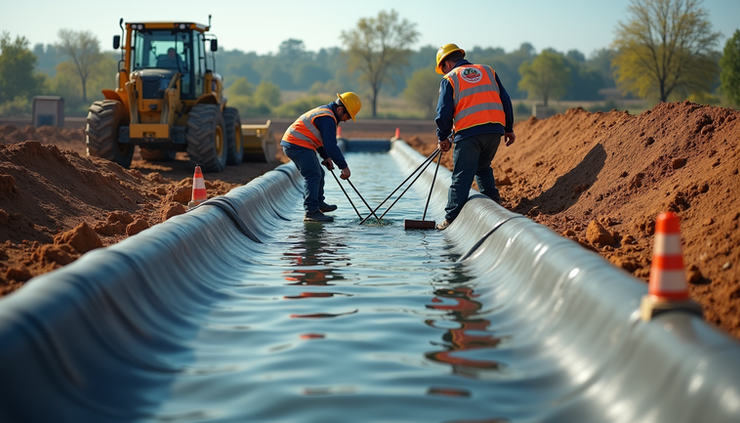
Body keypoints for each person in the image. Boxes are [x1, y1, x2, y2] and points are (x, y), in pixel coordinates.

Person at [433, 43, 516, 230]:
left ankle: (450, 219)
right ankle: (493, 202)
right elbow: (505, 100)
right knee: (482, 167)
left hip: (469, 135)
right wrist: (509, 127)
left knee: (461, 176)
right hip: (495, 132)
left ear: (446, 63)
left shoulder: (450, 78)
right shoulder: (488, 71)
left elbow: (443, 112)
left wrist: (443, 137)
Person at [281, 92, 361, 223]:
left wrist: (326, 157)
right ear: (340, 109)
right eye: (348, 116)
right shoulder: (328, 118)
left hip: (298, 143)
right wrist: (344, 167)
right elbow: (331, 145)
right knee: (313, 175)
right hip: (297, 144)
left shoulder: (327, 114)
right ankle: (311, 212)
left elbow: (318, 138)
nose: (347, 120)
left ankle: (318, 204)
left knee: (320, 173)